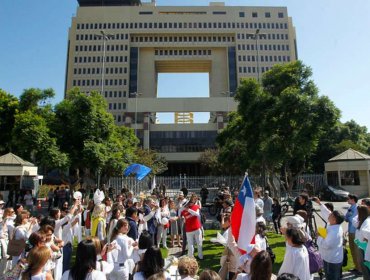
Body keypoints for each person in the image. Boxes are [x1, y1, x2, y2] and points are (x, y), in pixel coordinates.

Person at [317, 210, 344, 280]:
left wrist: (319, 236)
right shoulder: (334, 226)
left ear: (334, 220)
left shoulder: (334, 233)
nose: (328, 216)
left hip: (331, 260)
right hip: (331, 258)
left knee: (331, 277)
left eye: (331, 215)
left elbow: (326, 245)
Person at [345, 194, 360, 274]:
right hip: (350, 231)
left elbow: (351, 219)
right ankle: (356, 267)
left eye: (348, 199)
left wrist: (347, 218)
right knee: (352, 249)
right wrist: (347, 218)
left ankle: (360, 269)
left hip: (354, 232)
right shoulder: (351, 208)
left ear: (353, 199)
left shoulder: (356, 208)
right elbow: (345, 217)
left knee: (356, 250)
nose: (347, 200)